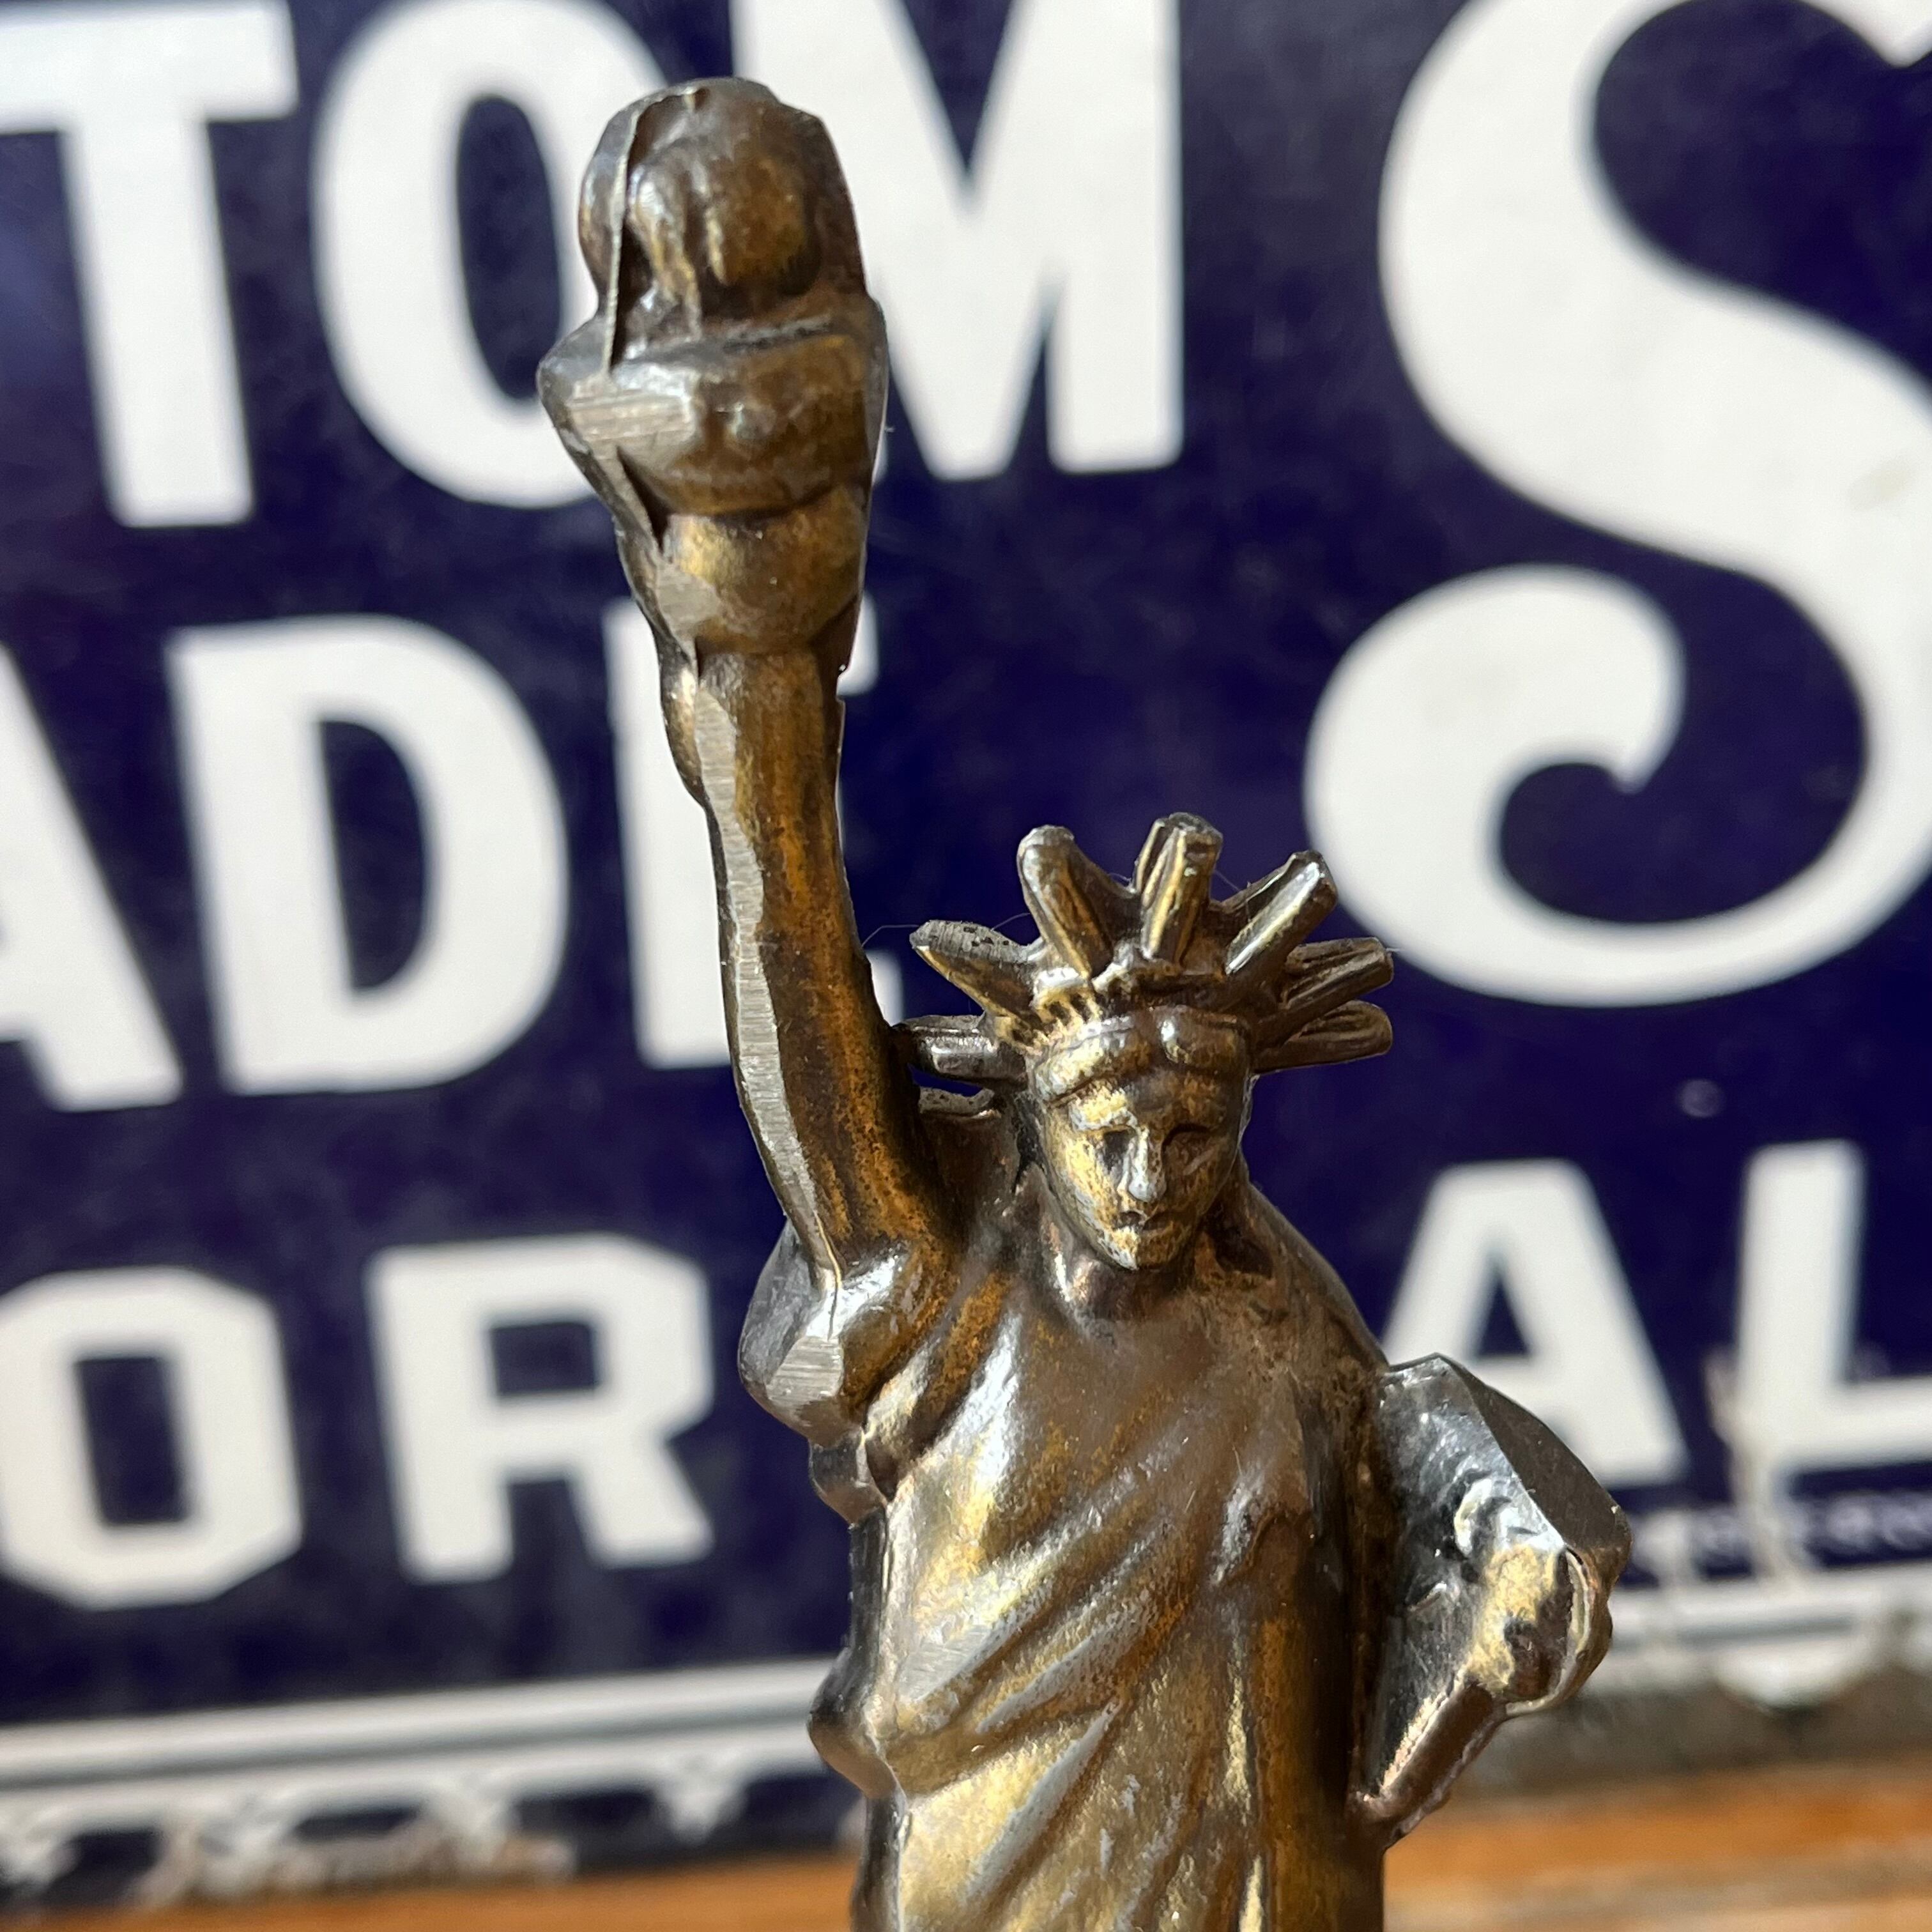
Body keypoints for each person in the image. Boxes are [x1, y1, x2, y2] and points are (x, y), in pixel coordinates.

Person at [542, 77, 1625, 1932]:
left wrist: (1524, 1536)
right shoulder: (936, 1278)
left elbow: (1414, 1512)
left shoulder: (1286, 1339)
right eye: (1110, 1122)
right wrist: (755, 667)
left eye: (1195, 1126)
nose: (1149, 1166)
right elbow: (790, 949)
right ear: (1035, 1121)